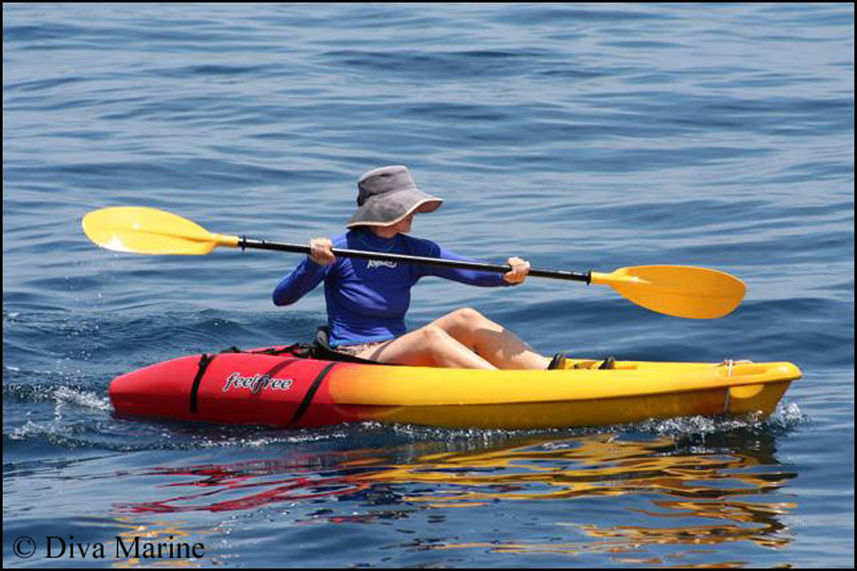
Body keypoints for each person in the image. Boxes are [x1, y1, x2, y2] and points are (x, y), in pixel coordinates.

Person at [273, 165, 564, 370]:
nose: (413, 212)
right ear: (381, 208)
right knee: (430, 337)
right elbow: (282, 297)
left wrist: (507, 274)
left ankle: (544, 372)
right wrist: (312, 263)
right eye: (405, 206)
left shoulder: (414, 250)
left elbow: (470, 270)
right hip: (353, 354)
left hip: (394, 344)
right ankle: (504, 388)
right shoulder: (338, 249)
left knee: (466, 316)